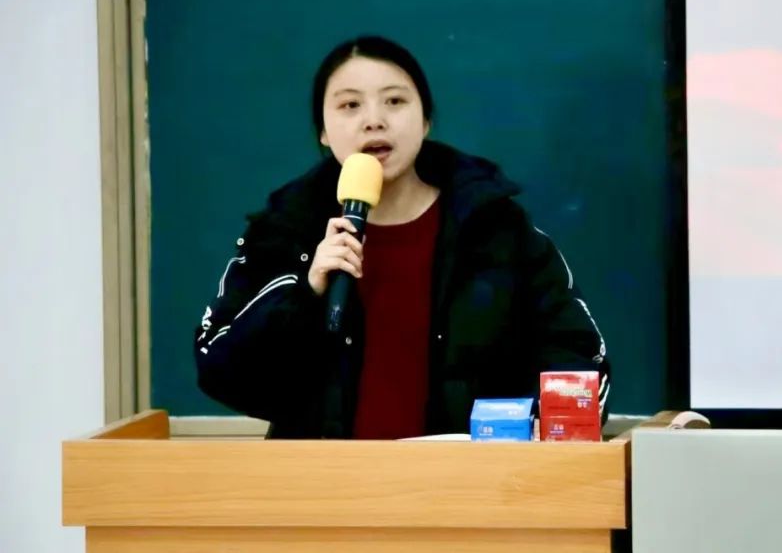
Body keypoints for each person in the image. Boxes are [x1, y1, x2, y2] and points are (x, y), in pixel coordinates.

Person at [193, 36, 610, 439]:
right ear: (323, 131)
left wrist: (541, 427)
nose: (374, 120)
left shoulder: (494, 228)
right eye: (350, 105)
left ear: (425, 120)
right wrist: (305, 293)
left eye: (394, 101)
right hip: (322, 481)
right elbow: (220, 371)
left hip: (465, 480)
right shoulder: (287, 232)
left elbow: (575, 353)